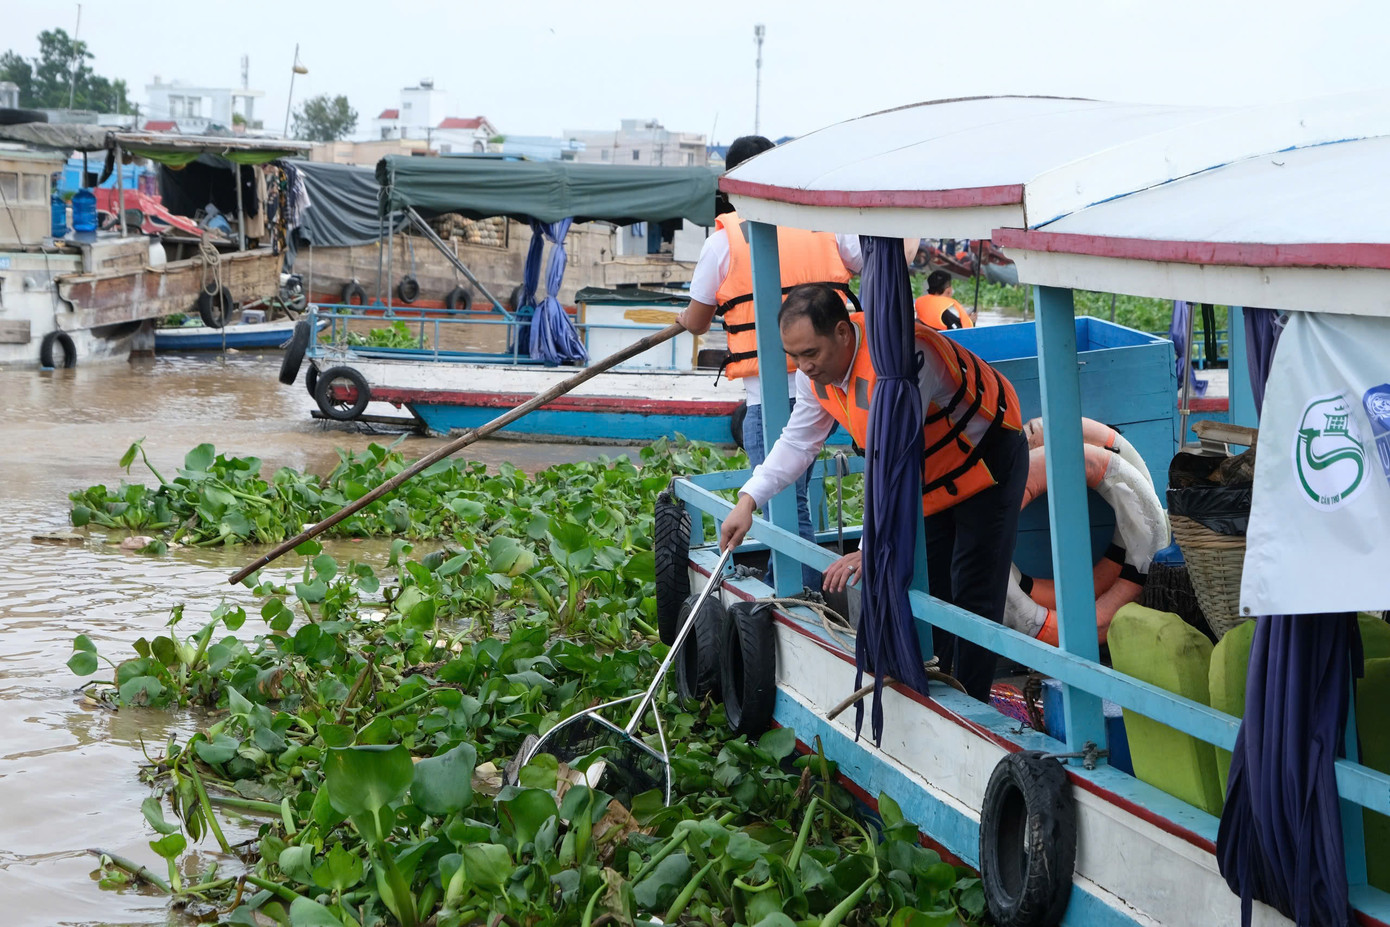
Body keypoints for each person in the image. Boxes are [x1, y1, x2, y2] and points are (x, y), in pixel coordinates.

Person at [719, 283, 1028, 701]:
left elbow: (893, 461)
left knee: (974, 584)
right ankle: (938, 681)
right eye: (795, 357)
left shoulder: (902, 365)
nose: (804, 367)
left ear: (844, 334)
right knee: (931, 579)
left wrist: (869, 546)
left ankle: (970, 702)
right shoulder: (815, 377)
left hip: (985, 456)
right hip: (926, 475)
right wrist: (747, 500)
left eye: (811, 353)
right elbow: (798, 442)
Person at [677, 134, 865, 591]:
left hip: (769, 391)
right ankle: (803, 583)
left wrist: (683, 318)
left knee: (787, 504)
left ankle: (797, 595)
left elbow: (698, 319)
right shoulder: (822, 223)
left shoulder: (723, 241)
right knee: (795, 493)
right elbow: (866, 259)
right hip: (839, 379)